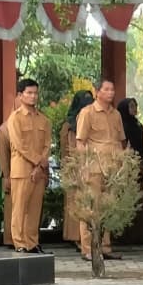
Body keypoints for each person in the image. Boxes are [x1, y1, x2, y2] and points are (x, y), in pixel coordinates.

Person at [76, 79, 126, 262]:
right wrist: (84, 167)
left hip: (112, 168)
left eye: (112, 89)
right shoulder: (87, 112)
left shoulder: (116, 114)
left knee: (108, 208)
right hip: (94, 167)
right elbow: (80, 142)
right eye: (106, 89)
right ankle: (88, 248)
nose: (111, 92)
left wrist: (122, 164)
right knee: (91, 208)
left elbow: (120, 141)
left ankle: (105, 247)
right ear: (97, 92)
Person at [7, 77, 52, 254]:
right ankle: (19, 243)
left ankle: (32, 242)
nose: (33, 96)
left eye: (35, 93)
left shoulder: (44, 120)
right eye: (29, 93)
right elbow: (20, 145)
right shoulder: (15, 118)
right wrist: (38, 162)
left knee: (34, 209)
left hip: (38, 172)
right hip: (21, 170)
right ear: (20, 95)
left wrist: (40, 168)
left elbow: (47, 145)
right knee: (19, 208)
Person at [60, 90, 93, 249]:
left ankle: (88, 238)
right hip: (74, 168)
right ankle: (76, 237)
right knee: (75, 203)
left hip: (89, 168)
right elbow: (67, 150)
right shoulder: (68, 126)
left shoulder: (90, 119)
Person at [117, 97, 143, 244]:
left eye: (135, 106)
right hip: (127, 166)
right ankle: (125, 235)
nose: (134, 109)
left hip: (140, 164)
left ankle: (140, 234)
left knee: (140, 199)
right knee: (127, 200)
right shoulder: (122, 125)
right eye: (131, 106)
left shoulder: (137, 124)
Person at [0, 91, 21, 249]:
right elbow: (3, 156)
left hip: (30, 176)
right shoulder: (5, 130)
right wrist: (6, 176)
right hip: (12, 175)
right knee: (12, 208)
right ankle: (11, 239)